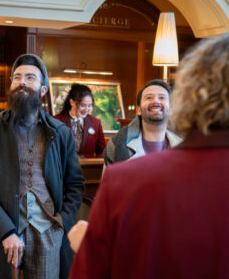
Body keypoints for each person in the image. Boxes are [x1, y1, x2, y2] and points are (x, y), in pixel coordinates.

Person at [69, 33, 229, 279]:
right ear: (140, 107)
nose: (156, 103)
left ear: (186, 98)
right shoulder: (120, 155)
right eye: (150, 98)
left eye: (162, 97)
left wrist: (90, 249)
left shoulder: (124, 180)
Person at [0, 54, 85, 279]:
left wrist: (61, 223)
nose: (22, 82)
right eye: (17, 77)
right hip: (3, 234)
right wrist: (6, 231)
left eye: (30, 78)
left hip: (48, 233)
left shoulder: (61, 133)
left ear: (43, 90)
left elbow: (75, 185)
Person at [103, 79, 182, 165]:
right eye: (149, 97)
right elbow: (108, 178)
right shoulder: (116, 145)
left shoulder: (183, 144)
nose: (155, 101)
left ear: (171, 109)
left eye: (162, 98)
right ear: (138, 110)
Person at [54, 83, 106, 158]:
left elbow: (102, 152)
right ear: (72, 102)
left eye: (89, 105)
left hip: (87, 168)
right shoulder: (56, 121)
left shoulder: (96, 123)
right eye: (82, 105)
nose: (86, 109)